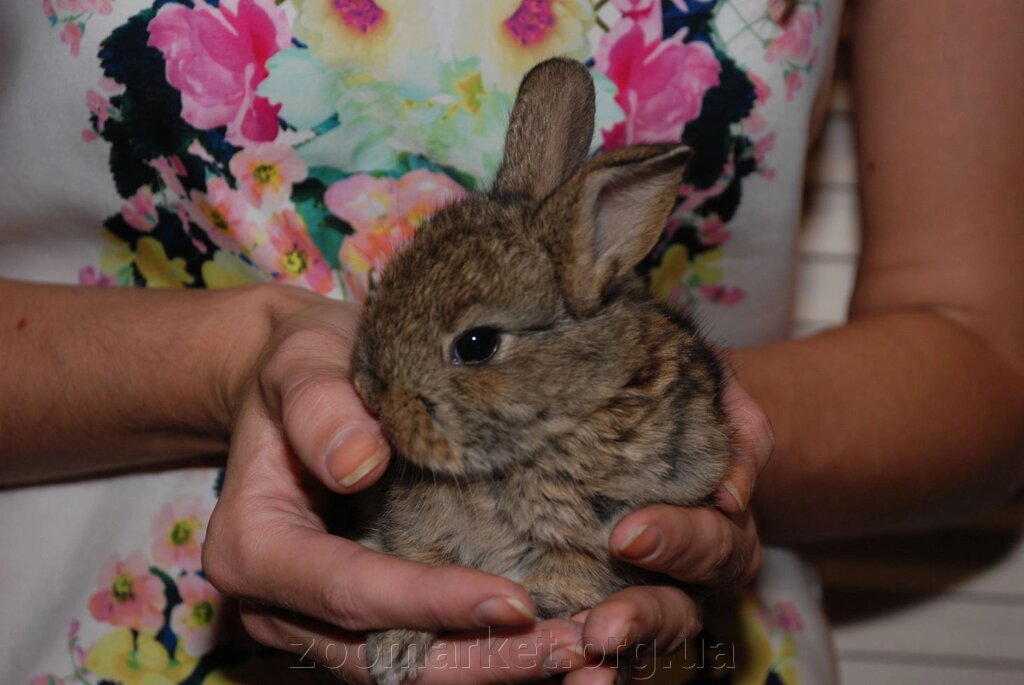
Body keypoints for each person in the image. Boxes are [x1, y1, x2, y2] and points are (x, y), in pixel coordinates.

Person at [1, 1, 1021, 684]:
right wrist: (225, 366)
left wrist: (716, 468)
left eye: (477, 344)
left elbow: (982, 349)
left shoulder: (608, 373)